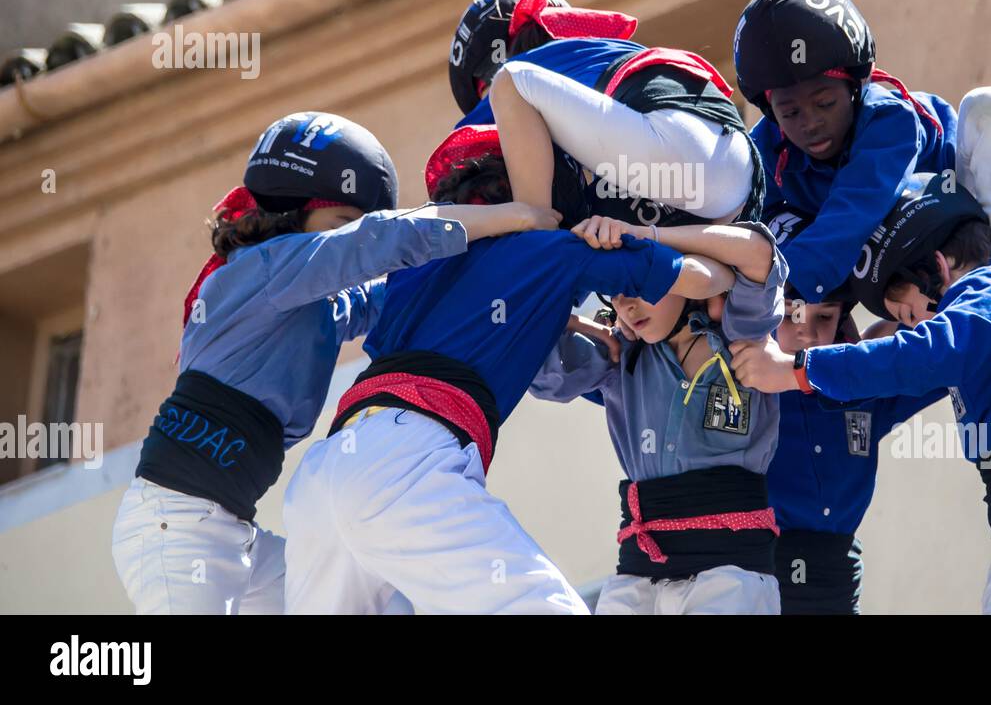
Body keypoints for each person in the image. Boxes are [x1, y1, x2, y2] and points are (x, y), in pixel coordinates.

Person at [110, 112, 554, 614]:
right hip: (173, 529)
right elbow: (376, 245)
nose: (351, 236)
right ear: (297, 213)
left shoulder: (312, 307)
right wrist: (518, 215)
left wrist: (521, 276)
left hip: (233, 535)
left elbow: (395, 294)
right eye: (344, 222)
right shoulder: (258, 273)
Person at [283, 125, 734, 614]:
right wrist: (636, 234)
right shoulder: (553, 250)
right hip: (406, 462)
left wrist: (563, 319)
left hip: (323, 472)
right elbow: (703, 275)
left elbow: (474, 308)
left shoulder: (417, 261)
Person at [729, 174, 991, 615]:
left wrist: (800, 370)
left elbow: (924, 357)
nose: (915, 328)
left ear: (936, 268)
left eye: (910, 314)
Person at [733, 0, 991, 306]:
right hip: (883, 268)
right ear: (771, 112)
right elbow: (744, 227)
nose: (810, 123)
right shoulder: (761, 152)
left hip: (960, 217)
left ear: (855, 85)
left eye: (825, 104)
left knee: (987, 104)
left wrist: (766, 287)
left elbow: (852, 214)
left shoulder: (891, 120)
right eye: (790, 113)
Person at [530, 214, 787, 614]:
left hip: (729, 574)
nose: (626, 305)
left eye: (639, 285)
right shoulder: (617, 355)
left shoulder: (739, 334)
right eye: (614, 294)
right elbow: (538, 374)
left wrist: (644, 237)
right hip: (636, 577)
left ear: (685, 279)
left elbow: (758, 254)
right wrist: (559, 310)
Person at [447, 0, 764, 226]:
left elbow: (458, 151)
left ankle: (535, 239)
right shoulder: (597, 63)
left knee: (510, 82)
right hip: (736, 187)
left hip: (685, 161)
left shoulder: (527, 73)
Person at [762, 208, 946, 615]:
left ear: (843, 322)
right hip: (761, 582)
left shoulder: (864, 389)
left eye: (823, 316)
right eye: (791, 315)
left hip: (842, 584)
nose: (806, 331)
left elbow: (946, 359)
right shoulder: (748, 389)